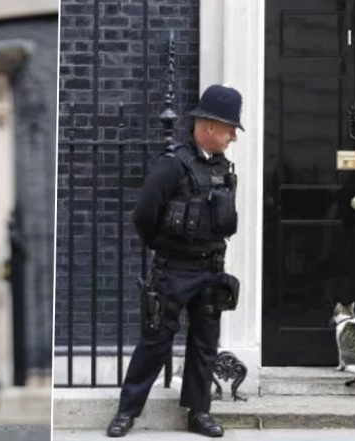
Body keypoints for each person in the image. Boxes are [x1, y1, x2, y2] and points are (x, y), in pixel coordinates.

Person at [106, 84, 244, 438]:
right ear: (210, 127)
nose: (232, 137)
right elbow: (143, 215)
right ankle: (127, 412)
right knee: (155, 342)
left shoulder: (223, 167)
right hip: (174, 271)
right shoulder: (173, 165)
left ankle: (199, 413)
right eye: (230, 129)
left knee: (204, 344)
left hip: (211, 270)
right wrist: (163, 249)